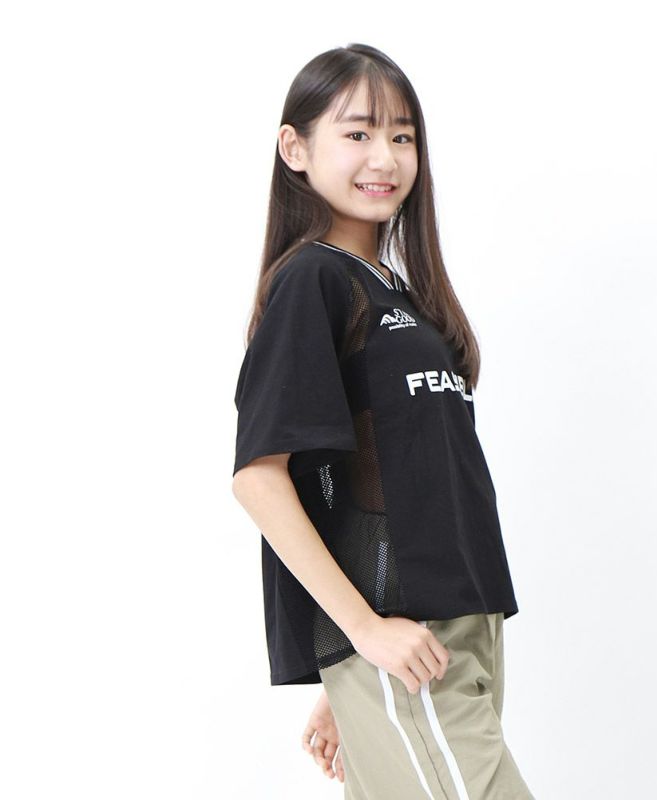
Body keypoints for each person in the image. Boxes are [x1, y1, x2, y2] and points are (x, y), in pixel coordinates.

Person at [231, 43, 536, 799]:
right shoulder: (313, 279)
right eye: (358, 133)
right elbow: (259, 479)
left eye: (402, 136)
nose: (386, 157)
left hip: (452, 629)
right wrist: (360, 635)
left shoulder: (396, 290)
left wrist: (352, 677)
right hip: (407, 634)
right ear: (295, 148)